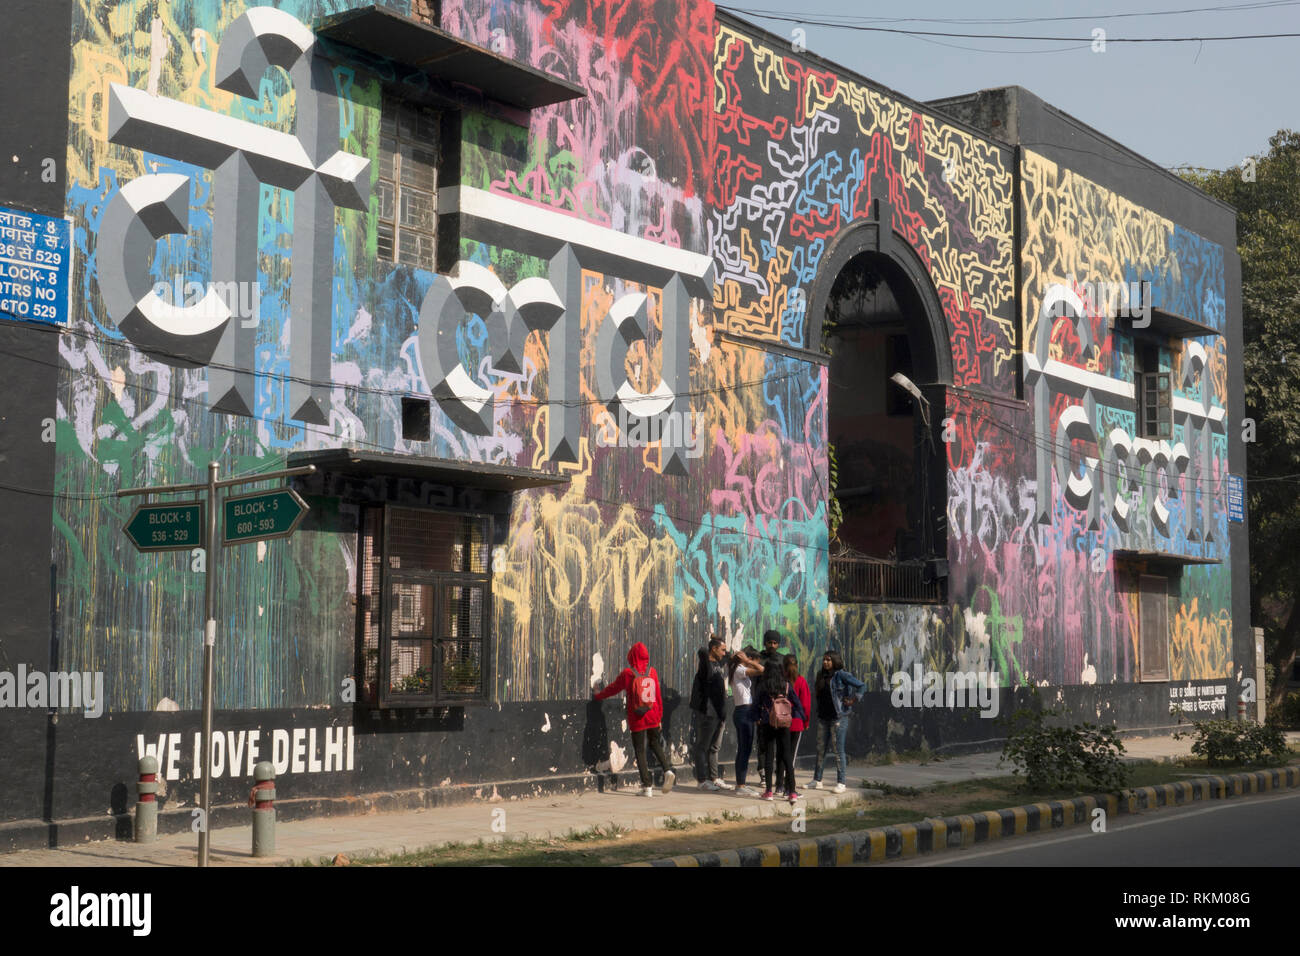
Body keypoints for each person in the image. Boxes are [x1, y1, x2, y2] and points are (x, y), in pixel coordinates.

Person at [593, 642, 676, 796]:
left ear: (632, 656)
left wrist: (598, 694)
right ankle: (667, 770)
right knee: (655, 744)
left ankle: (647, 787)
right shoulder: (652, 672)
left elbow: (613, 689)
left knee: (640, 750)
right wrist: (659, 718)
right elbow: (658, 697)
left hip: (637, 717)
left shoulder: (628, 673)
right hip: (653, 715)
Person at [810, 649, 867, 793]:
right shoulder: (820, 675)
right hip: (823, 717)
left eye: (828, 660)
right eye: (824, 659)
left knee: (838, 750)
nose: (825, 662)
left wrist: (853, 699)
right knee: (820, 749)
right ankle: (817, 780)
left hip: (838, 717)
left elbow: (861, 685)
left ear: (835, 661)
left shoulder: (841, 675)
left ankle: (841, 782)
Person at [753, 655, 804, 803]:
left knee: (769, 755)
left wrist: (757, 718)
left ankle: (769, 791)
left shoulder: (763, 686)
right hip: (784, 724)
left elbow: (756, 704)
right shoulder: (786, 685)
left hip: (768, 723)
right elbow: (797, 704)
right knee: (787, 756)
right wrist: (793, 716)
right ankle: (792, 792)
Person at [690, 638, 732, 790]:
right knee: (702, 746)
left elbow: (728, 656)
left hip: (719, 712)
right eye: (721, 649)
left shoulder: (718, 664)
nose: (724, 652)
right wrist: (710, 647)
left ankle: (713, 777)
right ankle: (702, 781)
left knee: (714, 747)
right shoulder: (705, 665)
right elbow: (702, 651)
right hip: (708, 712)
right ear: (713, 649)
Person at [728, 645, 764, 796]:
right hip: (744, 711)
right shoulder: (739, 670)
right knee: (744, 749)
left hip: (745, 711)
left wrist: (747, 660)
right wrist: (748, 661)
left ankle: (741, 784)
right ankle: (740, 785)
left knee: (745, 748)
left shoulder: (738, 671)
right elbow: (762, 670)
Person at [774, 653, 811, 794]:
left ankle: (779, 785)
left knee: (781, 753)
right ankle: (789, 787)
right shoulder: (801, 681)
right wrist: (806, 721)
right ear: (797, 665)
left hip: (780, 721)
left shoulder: (780, 681)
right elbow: (806, 705)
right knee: (791, 756)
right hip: (795, 722)